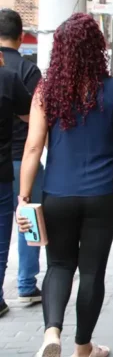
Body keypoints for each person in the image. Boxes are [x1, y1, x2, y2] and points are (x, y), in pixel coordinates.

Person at [16, 13, 113, 357]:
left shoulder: (46, 91)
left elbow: (33, 147)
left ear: (59, 50)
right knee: (92, 272)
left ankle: (51, 333)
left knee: (58, 265)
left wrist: (23, 197)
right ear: (97, 49)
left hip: (57, 193)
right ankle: (83, 347)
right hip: (104, 196)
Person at [0, 8, 43, 305]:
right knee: (29, 218)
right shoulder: (29, 70)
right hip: (23, 158)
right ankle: (27, 284)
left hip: (5, 162)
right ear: (20, 35)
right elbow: (37, 119)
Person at [0, 48, 32, 318]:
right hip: (8, 165)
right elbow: (31, 116)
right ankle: (18, 289)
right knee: (5, 235)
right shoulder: (9, 77)